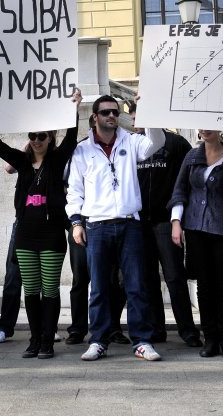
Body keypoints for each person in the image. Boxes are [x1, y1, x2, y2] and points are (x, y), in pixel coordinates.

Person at [0, 89, 81, 359]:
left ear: (50, 138)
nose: (36, 141)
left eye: (42, 137)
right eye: (33, 136)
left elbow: (72, 138)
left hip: (51, 235)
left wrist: (74, 108)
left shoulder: (58, 160)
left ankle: (48, 340)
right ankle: (34, 340)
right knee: (31, 290)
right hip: (25, 234)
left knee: (49, 289)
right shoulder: (22, 162)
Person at [66, 95, 165, 362]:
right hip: (96, 226)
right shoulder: (83, 149)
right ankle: (98, 340)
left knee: (136, 284)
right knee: (98, 287)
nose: (112, 115)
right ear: (95, 117)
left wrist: (148, 111)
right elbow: (74, 190)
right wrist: (76, 222)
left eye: (115, 111)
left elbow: (157, 142)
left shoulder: (131, 141)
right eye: (106, 112)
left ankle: (142, 341)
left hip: (129, 224)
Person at [169, 129, 223, 360]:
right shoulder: (192, 156)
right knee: (204, 284)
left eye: (209, 125)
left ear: (219, 128)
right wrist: (176, 222)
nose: (204, 130)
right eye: (201, 126)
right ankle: (210, 338)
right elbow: (180, 190)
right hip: (195, 228)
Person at [128, 104, 202, 348]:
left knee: (174, 276)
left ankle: (187, 331)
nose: (133, 121)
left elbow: (188, 179)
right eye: (132, 117)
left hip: (166, 221)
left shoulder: (176, 143)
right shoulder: (131, 143)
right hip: (139, 223)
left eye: (137, 116)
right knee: (148, 279)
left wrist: (178, 218)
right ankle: (156, 329)